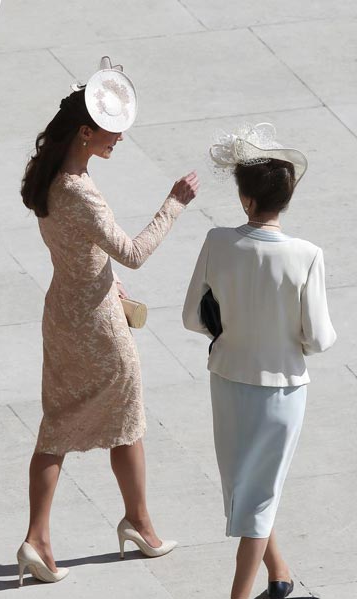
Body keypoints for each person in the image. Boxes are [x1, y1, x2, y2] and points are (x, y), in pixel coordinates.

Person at [16, 57, 199, 586]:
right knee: (127, 418)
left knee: (57, 424)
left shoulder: (51, 177)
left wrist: (103, 276)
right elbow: (134, 252)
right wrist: (174, 204)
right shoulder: (81, 192)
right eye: (111, 132)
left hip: (62, 313)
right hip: (97, 325)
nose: (118, 139)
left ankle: (39, 538)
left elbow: (77, 250)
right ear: (85, 131)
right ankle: (138, 522)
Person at [182, 123, 336, 599]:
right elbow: (319, 338)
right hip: (282, 389)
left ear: (245, 199)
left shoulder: (216, 241)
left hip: (227, 379)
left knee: (244, 491)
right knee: (257, 497)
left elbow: (192, 317)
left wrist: (233, 331)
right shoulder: (307, 255)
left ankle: (273, 578)